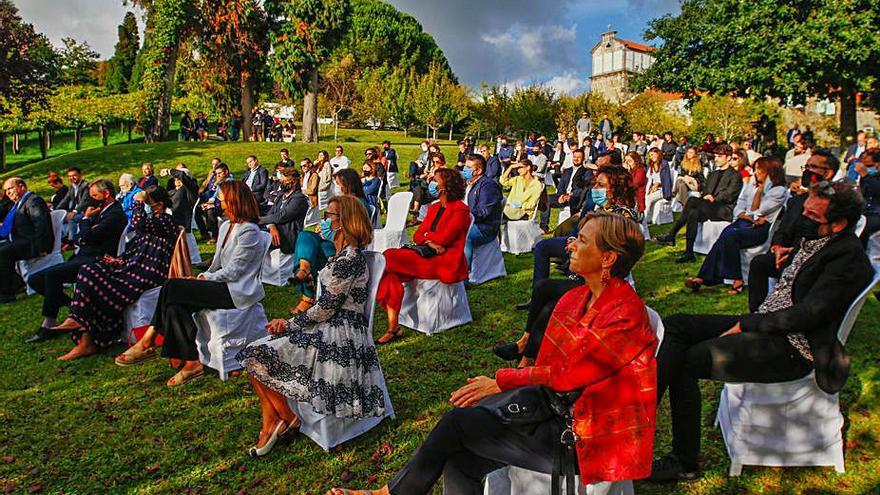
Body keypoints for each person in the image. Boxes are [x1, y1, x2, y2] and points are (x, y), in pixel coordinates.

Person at [329, 212, 656, 495]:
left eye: (581, 241)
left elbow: (572, 375)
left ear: (608, 258)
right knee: (461, 460)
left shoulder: (626, 313)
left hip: (590, 438)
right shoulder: (574, 299)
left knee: (458, 424)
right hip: (552, 413)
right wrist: (509, 392)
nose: (569, 244)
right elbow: (548, 367)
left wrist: (502, 383)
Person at [650, 180, 871, 482]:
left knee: (688, 361)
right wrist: (785, 253)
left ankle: (684, 461)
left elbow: (808, 315)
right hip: (771, 326)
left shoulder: (847, 258)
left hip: (792, 347)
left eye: (812, 216)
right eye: (804, 210)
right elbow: (797, 267)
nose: (802, 219)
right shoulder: (817, 239)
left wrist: (748, 324)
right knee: (676, 324)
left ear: (838, 224)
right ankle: (643, 409)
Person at [236, 196, 381, 457]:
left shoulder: (350, 260)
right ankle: (281, 418)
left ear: (343, 222)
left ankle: (279, 420)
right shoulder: (338, 257)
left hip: (340, 333)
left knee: (254, 354)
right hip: (326, 325)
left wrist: (288, 324)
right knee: (252, 353)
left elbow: (325, 308)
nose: (326, 221)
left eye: (330, 216)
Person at [117, 181, 265, 386]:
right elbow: (217, 265)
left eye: (221, 200)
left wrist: (203, 279)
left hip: (236, 292)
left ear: (233, 202)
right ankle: (191, 361)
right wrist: (199, 278)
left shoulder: (249, 231)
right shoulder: (226, 227)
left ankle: (150, 339)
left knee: (172, 287)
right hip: (221, 285)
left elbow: (234, 272)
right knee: (175, 300)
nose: (218, 203)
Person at [497, 165, 642, 367]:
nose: (595, 189)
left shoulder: (623, 218)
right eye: (595, 184)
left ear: (616, 188)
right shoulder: (601, 210)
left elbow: (613, 256)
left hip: (603, 285)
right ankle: (526, 354)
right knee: (548, 303)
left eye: (601, 185)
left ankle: (525, 351)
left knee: (545, 292)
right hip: (588, 279)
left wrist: (581, 248)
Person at [47, 186, 178, 360]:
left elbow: (138, 224)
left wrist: (138, 202)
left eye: (147, 203)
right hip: (133, 267)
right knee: (88, 270)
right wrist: (120, 260)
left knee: (92, 276)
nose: (143, 206)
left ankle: (83, 331)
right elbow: (136, 248)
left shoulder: (166, 221)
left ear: (159, 205)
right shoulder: (153, 221)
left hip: (149, 273)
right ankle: (83, 332)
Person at [25, 179, 127, 343]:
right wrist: (87, 228)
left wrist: (86, 220)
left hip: (95, 260)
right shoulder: (99, 211)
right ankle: (74, 306)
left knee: (52, 275)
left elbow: (87, 235)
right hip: (82, 256)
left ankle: (47, 325)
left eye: (94, 195)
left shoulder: (115, 214)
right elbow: (81, 237)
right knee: (34, 279)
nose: (91, 199)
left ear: (106, 194)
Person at [376, 169, 470, 344]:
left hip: (445, 260)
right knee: (390, 276)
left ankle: (390, 323)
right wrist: (431, 242)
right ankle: (393, 327)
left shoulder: (460, 210)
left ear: (445, 186)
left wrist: (429, 238)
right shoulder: (434, 207)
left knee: (388, 256)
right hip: (428, 254)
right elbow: (418, 234)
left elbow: (446, 238)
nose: (431, 182)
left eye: (435, 180)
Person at [747, 149, 841, 311]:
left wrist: (796, 252)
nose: (806, 171)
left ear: (828, 173)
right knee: (759, 263)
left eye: (812, 167)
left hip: (813, 259)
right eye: (806, 166)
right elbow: (783, 229)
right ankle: (756, 311)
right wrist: (777, 247)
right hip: (786, 255)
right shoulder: (797, 201)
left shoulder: (835, 203)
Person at [684, 157, 788, 294]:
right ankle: (707, 278)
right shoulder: (750, 186)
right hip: (745, 222)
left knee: (729, 235)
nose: (755, 172)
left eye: (759, 169)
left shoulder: (778, 191)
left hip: (760, 229)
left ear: (771, 172)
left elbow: (760, 210)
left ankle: (728, 278)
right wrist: (747, 214)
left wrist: (759, 194)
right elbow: (738, 207)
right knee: (727, 234)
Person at [655, 144, 744, 262]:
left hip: (723, 209)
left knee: (692, 201)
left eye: (719, 156)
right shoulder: (713, 174)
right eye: (716, 156)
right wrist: (707, 198)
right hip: (708, 207)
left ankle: (672, 234)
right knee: (693, 213)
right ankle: (689, 252)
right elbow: (705, 191)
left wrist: (714, 198)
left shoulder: (735, 175)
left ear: (728, 158)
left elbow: (730, 194)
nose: (716, 158)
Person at [0, 178, 53, 303]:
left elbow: (41, 225)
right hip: (21, 241)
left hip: (32, 243)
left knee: (3, 253)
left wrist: (42, 248)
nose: (8, 193)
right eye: (6, 190)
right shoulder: (18, 203)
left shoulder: (33, 201)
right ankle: (17, 284)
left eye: (10, 188)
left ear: (22, 186)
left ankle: (6, 294)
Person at [462, 154, 503, 268]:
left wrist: (463, 218)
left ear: (479, 170)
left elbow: (483, 212)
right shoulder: (470, 183)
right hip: (468, 221)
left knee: (464, 235)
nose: (465, 170)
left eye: (468, 168)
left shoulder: (488, 186)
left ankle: (464, 275)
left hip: (484, 227)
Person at [259, 167, 308, 257]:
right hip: (275, 235)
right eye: (281, 181)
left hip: (288, 239)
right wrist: (272, 226)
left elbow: (282, 216)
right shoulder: (281, 196)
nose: (281, 184)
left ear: (294, 182)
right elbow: (271, 213)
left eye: (284, 182)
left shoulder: (299, 199)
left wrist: (258, 220)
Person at [539, 148, 590, 233]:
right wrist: (561, 195)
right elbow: (561, 186)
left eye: (579, 157)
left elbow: (584, 188)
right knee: (545, 199)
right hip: (563, 196)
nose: (576, 159)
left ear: (583, 159)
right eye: (574, 157)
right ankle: (544, 227)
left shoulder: (586, 172)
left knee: (573, 200)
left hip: (575, 198)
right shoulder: (567, 170)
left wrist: (570, 195)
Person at [195, 163, 231, 243]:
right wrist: (207, 203)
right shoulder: (220, 181)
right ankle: (204, 233)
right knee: (198, 210)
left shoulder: (229, 183)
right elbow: (214, 196)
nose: (217, 176)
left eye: (219, 173)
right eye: (216, 174)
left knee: (210, 211)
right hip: (218, 204)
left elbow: (225, 199)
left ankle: (215, 236)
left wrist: (213, 205)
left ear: (226, 172)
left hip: (226, 206)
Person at [855, 148, 880, 244]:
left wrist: (865, 175)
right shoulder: (867, 177)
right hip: (864, 213)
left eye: (870, 166)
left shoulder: (868, 177)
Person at [644, 148, 673, 224]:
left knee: (649, 198)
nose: (651, 157)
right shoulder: (651, 164)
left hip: (663, 189)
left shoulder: (664, 164)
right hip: (654, 188)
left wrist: (658, 184)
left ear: (658, 154)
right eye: (650, 155)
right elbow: (649, 179)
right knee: (646, 196)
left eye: (653, 154)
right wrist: (649, 188)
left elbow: (666, 180)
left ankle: (644, 218)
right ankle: (648, 218)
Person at [167, 168, 198, 233]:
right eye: (176, 179)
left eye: (180, 179)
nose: (178, 181)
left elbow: (181, 174)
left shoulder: (190, 190)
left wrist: (168, 171)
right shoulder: (170, 192)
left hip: (183, 226)